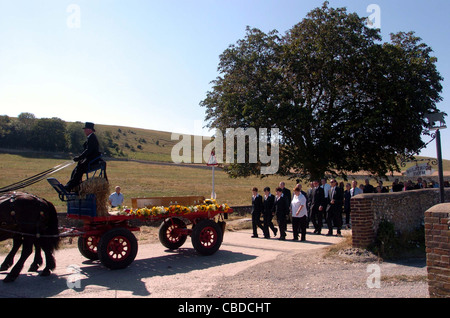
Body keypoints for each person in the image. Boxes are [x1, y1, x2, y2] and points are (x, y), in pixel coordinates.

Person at [65, 122, 102, 192]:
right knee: (76, 168)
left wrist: (80, 157)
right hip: (89, 157)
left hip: (92, 158)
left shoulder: (92, 138)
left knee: (80, 168)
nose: (84, 131)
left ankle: (70, 186)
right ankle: (72, 185)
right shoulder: (90, 137)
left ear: (90, 130)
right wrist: (80, 158)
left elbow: (88, 150)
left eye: (86, 129)